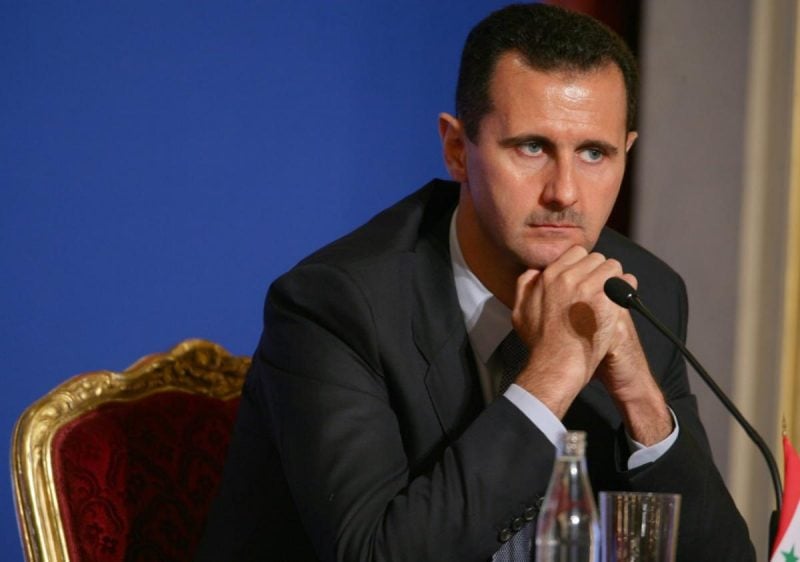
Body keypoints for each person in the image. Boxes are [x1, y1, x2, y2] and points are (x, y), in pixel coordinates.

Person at [196, 4, 755, 561]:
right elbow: (376, 555)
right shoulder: (336, 305)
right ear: (457, 149)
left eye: (593, 153)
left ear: (625, 153)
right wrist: (551, 376)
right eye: (532, 147)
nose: (564, 192)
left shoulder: (643, 291)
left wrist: (641, 398)